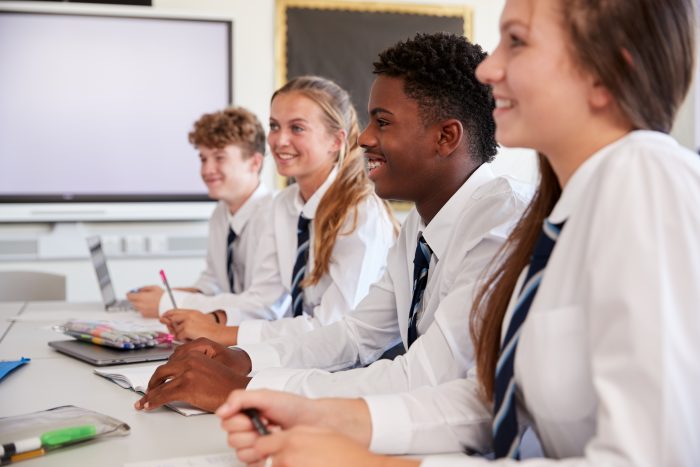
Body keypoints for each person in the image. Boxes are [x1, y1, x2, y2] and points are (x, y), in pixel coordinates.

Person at [217, 0, 700, 465]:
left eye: (517, 41)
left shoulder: (646, 175)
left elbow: (650, 457)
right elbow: (489, 398)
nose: (489, 70)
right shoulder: (557, 213)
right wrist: (317, 412)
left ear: (605, 74)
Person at [134, 33, 531, 413]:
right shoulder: (421, 226)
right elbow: (354, 333)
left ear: (446, 137)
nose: (365, 139)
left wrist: (248, 389)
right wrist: (242, 358)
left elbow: (425, 377)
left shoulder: (499, 224)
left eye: (383, 122)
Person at [156, 76, 397, 345]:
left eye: (297, 128)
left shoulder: (360, 214)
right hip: (301, 353)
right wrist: (209, 321)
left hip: (353, 365)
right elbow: (266, 302)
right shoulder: (283, 205)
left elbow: (334, 328)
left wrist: (220, 333)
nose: (279, 140)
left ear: (336, 141)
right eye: (274, 126)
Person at [126, 107, 274, 319]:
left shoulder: (273, 217)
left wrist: (169, 303)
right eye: (203, 159)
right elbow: (213, 283)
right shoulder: (220, 214)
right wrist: (169, 296)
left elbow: (259, 305)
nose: (206, 170)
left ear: (254, 162)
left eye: (219, 158)